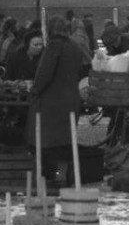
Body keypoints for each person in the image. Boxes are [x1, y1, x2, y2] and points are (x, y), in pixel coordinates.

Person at [25, 16, 87, 186]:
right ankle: (61, 177)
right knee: (64, 146)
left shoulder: (54, 46)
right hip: (70, 102)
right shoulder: (74, 47)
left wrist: (34, 91)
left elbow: (44, 73)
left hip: (51, 105)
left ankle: (46, 178)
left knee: (44, 144)